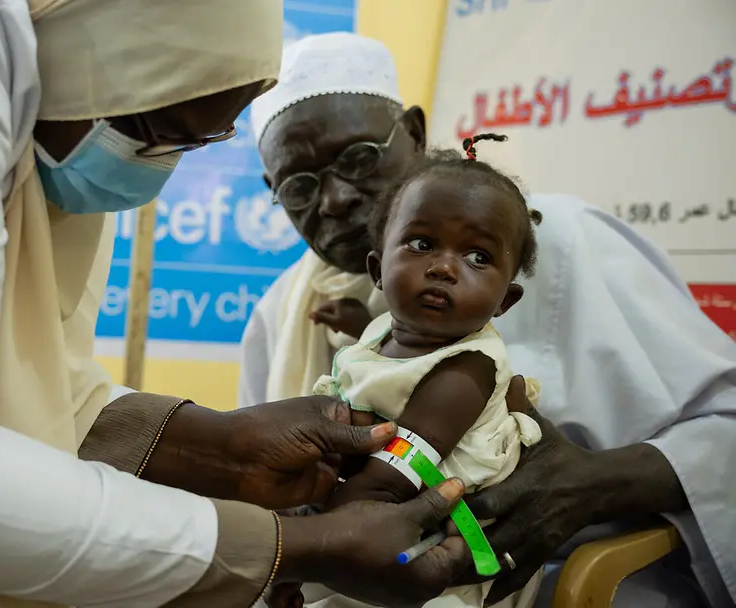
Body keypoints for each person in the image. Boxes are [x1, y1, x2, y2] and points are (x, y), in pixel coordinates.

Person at [0, 3, 478, 608]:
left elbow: (45, 396)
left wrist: (222, 446)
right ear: (98, 63)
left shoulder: (59, 127)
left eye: (199, 141)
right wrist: (297, 546)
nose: (158, 166)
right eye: (161, 132)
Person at [242, 32, 736, 607]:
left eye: (358, 157)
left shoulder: (564, 241)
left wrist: (591, 486)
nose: (333, 200)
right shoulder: (280, 313)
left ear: (415, 133)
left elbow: (726, 428)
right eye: (299, 185)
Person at [270, 135, 549, 608]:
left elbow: (393, 478)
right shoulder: (382, 331)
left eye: (478, 257)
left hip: (441, 557)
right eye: (422, 244)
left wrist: (300, 539)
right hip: (370, 516)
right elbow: (382, 377)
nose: (444, 267)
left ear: (505, 300)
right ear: (378, 270)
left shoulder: (466, 371)